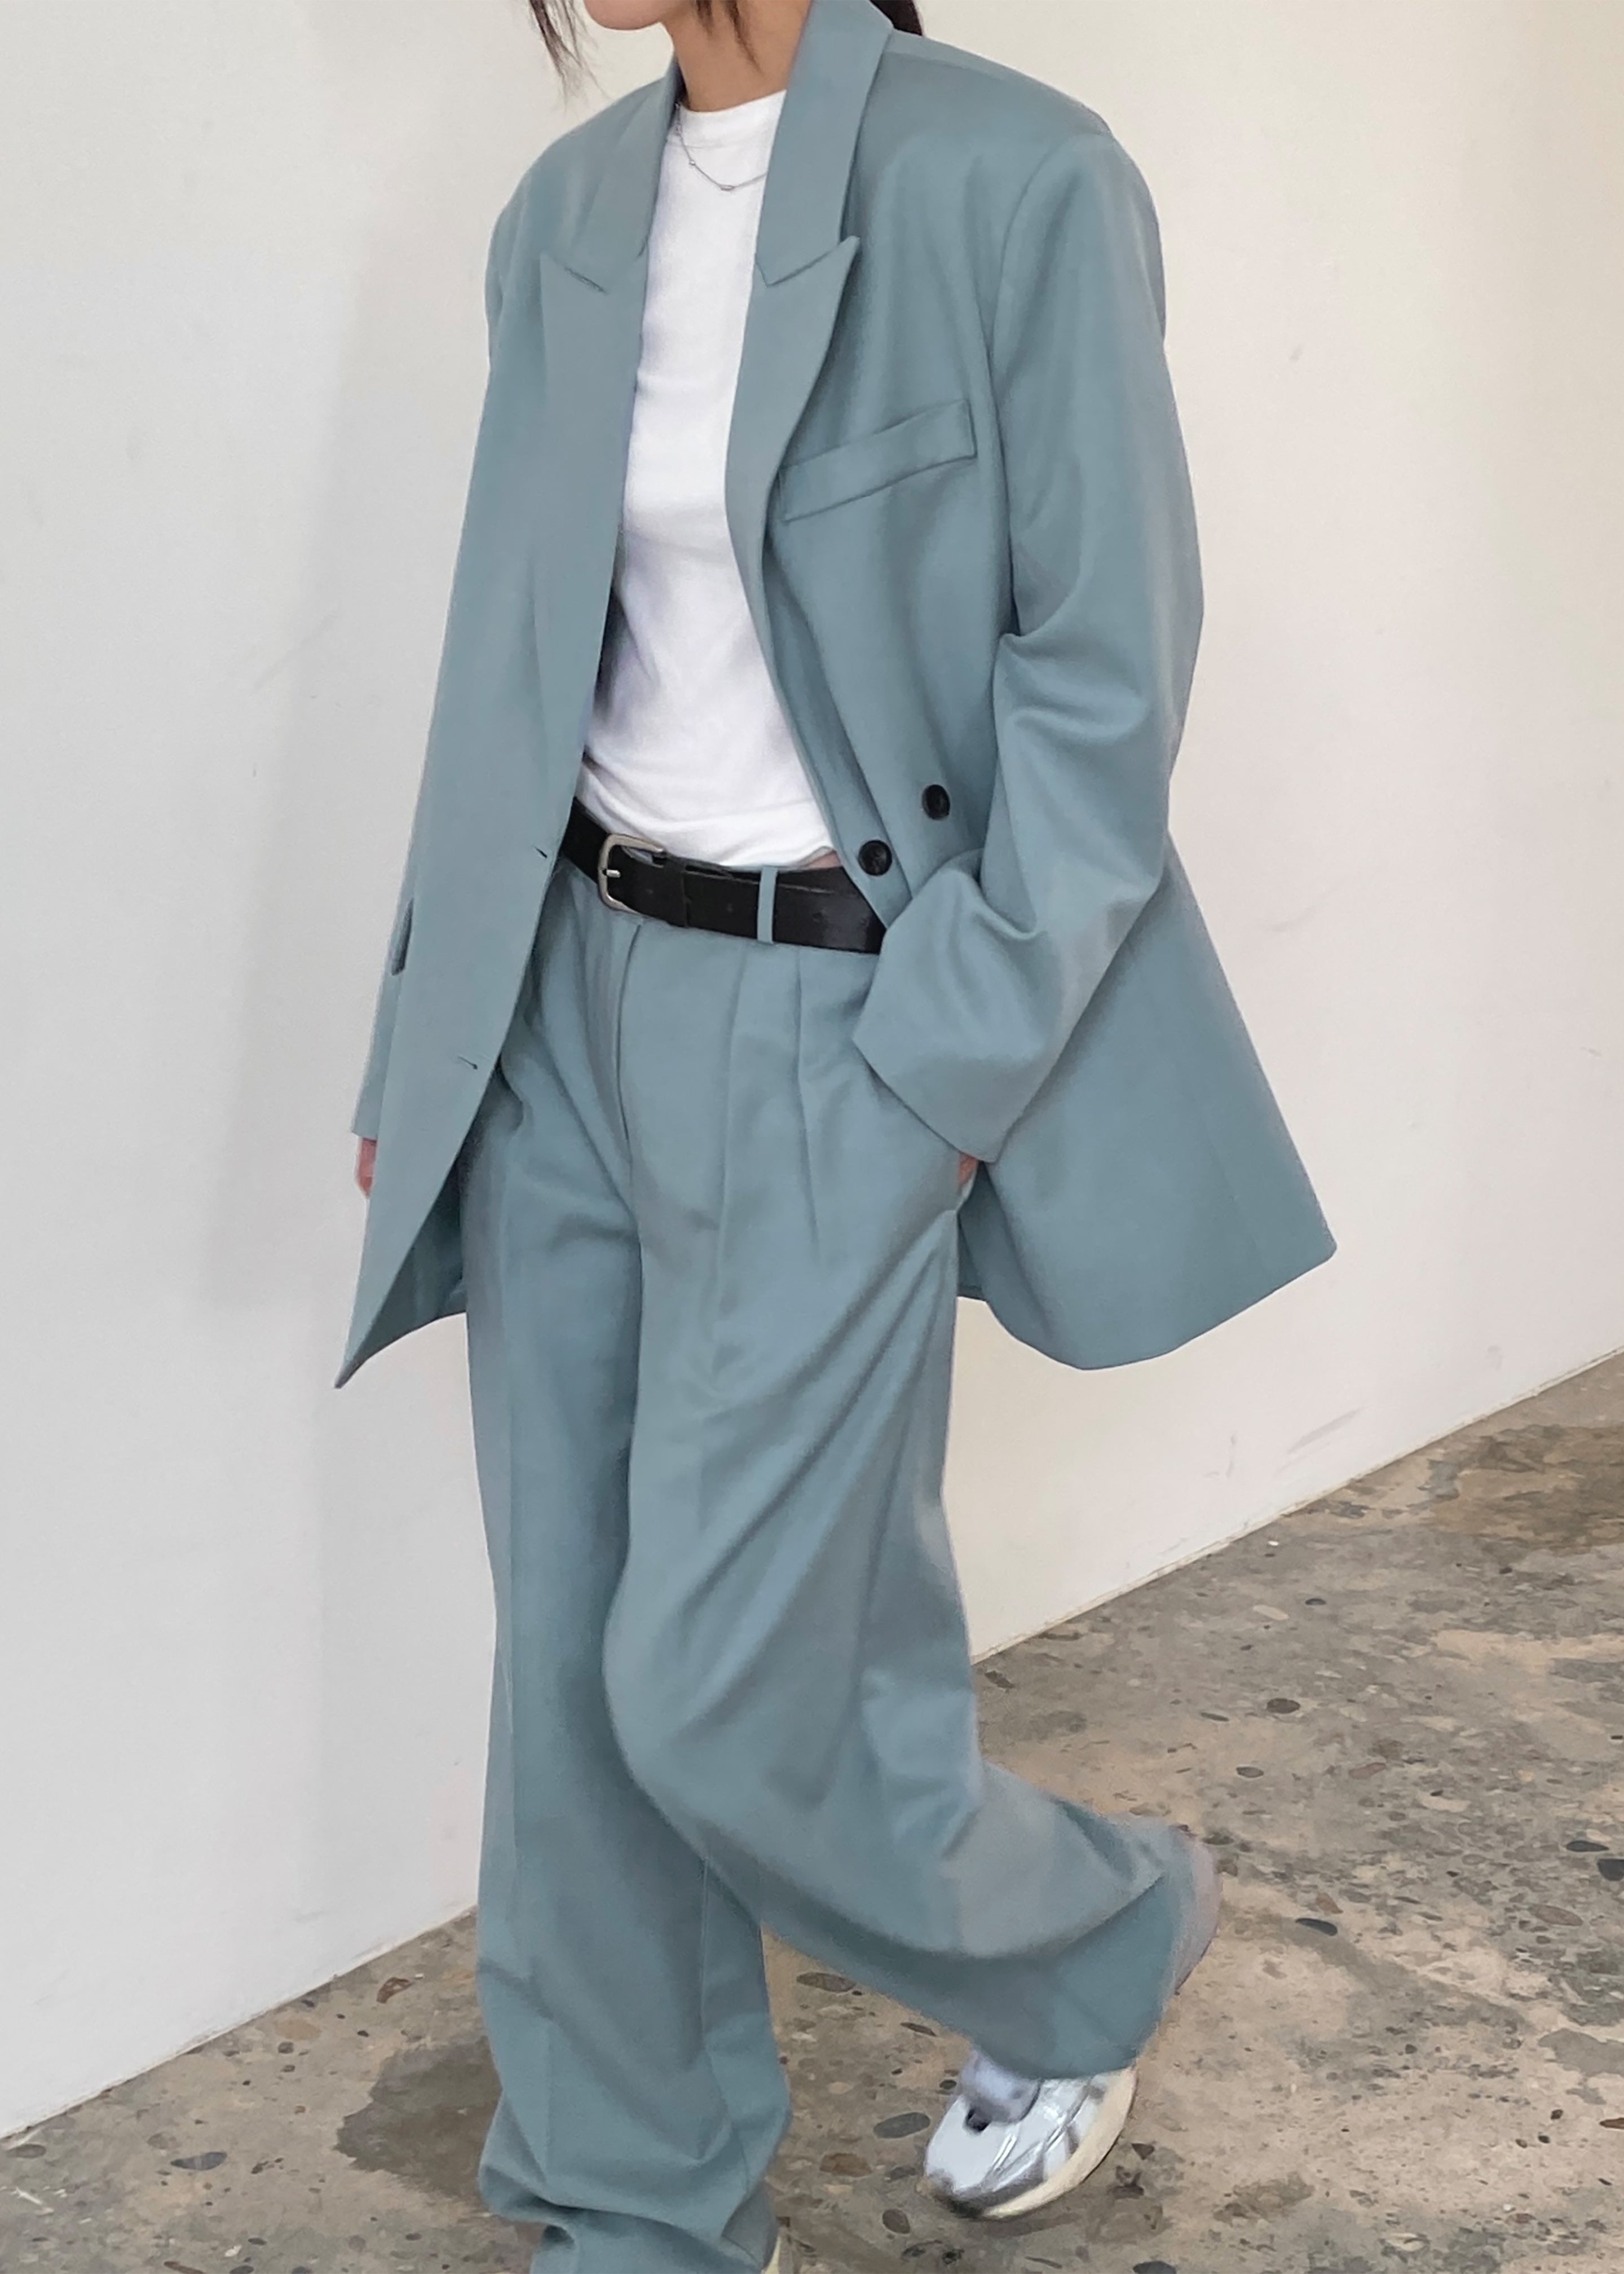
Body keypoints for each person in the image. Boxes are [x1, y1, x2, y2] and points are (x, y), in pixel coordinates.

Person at [338, 1, 1335, 2267]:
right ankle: (633, 2209)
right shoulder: (563, 216)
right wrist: (422, 1038)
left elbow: (1105, 672)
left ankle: (1093, 1941)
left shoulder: (1020, 178)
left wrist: (951, 1055)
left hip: (837, 1024)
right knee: (567, 1673)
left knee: (723, 1689)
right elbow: (508, 670)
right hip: (560, 1001)